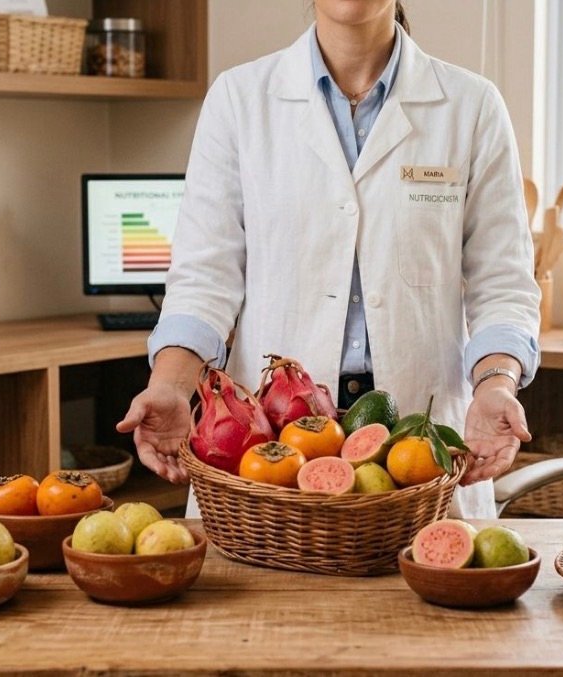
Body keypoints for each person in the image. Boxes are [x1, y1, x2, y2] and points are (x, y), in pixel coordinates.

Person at [116, 0, 540, 518]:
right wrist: (169, 387)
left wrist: (496, 386)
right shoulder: (239, 99)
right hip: (264, 453)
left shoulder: (471, 106)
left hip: (418, 449)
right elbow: (204, 280)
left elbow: (504, 283)